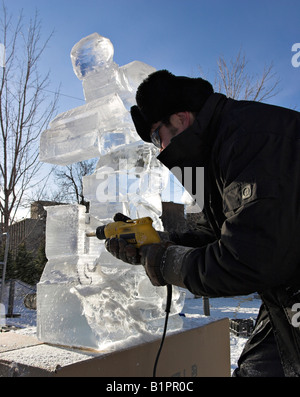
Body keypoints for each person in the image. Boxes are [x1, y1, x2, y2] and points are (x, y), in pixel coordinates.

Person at [105, 69, 300, 377]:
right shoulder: (208, 159)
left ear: (181, 119)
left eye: (157, 135)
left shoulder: (250, 139)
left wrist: (163, 261)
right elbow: (214, 238)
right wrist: (156, 243)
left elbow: (248, 258)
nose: (159, 150)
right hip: (284, 295)